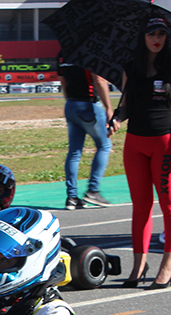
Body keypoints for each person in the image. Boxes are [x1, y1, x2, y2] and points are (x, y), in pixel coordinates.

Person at [108, 16, 171, 289]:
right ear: (142, 37)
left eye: (161, 34)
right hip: (135, 143)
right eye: (151, 33)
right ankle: (138, 266)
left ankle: (168, 265)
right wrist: (116, 119)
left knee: (169, 205)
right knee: (141, 206)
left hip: (165, 142)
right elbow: (126, 105)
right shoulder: (132, 66)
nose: (156, 39)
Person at [58, 53, 113, 210]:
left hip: (71, 104)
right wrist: (109, 108)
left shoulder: (62, 54)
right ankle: (93, 190)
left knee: (74, 152)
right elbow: (99, 80)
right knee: (104, 145)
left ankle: (71, 197)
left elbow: (63, 82)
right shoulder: (90, 52)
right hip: (88, 104)